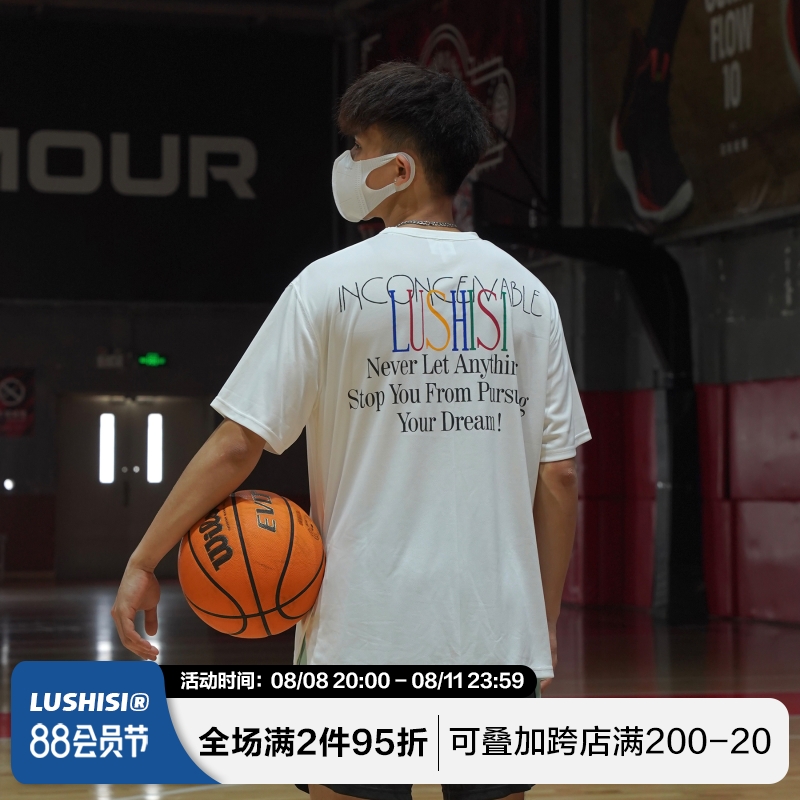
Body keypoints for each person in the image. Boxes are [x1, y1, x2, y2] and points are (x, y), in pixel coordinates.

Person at [111, 62, 590, 800]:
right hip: (496, 634)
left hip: (362, 637)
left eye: (358, 148)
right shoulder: (531, 299)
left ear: (398, 170)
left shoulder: (326, 286)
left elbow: (238, 443)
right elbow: (559, 477)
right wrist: (543, 621)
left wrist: (146, 558)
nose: (347, 164)